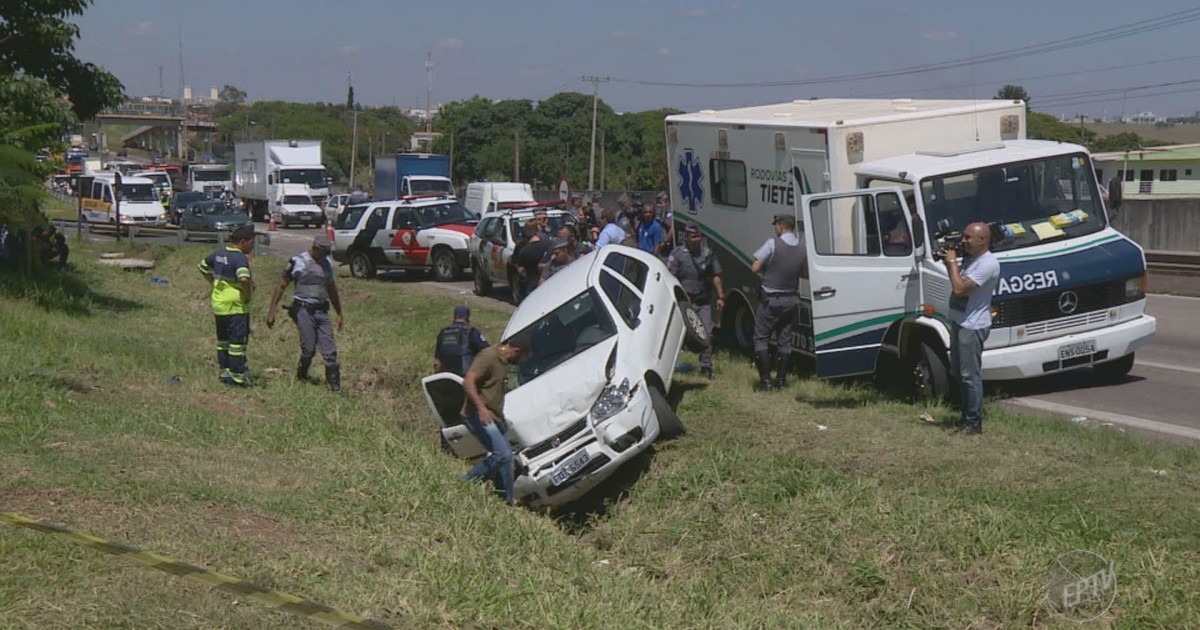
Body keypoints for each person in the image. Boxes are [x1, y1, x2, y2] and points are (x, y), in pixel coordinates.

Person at [265, 235, 346, 393]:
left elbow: (332, 289)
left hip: (322, 310)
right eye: (322, 253)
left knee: (329, 350)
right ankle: (302, 375)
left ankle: (335, 386)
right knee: (309, 348)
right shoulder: (298, 262)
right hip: (303, 309)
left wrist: (339, 313)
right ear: (315, 248)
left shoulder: (327, 264)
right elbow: (281, 286)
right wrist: (271, 311)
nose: (324, 256)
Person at [461, 332, 534, 504]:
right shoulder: (488, 356)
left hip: (495, 417)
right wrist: (481, 409)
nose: (524, 361)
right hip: (478, 415)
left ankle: (506, 500)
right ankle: (465, 483)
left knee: (507, 461)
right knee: (502, 455)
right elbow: (468, 381)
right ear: (516, 350)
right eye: (524, 356)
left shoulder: (506, 362)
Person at [943, 222, 1000, 436]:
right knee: (958, 372)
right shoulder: (971, 259)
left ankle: (974, 422)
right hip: (960, 321)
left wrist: (951, 264)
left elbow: (959, 288)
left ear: (982, 240)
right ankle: (964, 415)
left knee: (970, 376)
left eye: (968, 238)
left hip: (973, 325)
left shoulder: (988, 264)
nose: (963, 241)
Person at [750, 214, 806, 391]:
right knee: (785, 341)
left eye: (776, 226)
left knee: (761, 338)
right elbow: (805, 274)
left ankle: (766, 382)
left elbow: (755, 267)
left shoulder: (773, 243)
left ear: (781, 227)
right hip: (790, 299)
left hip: (771, 300)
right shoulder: (802, 247)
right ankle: (781, 382)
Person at [198, 224, 256, 387]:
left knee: (223, 341)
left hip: (219, 305)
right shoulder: (240, 259)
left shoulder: (218, 254)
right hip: (236, 306)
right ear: (243, 242)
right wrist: (248, 294)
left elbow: (202, 267)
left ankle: (225, 373)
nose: (253, 246)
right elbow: (244, 279)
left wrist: (213, 282)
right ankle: (237, 376)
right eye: (251, 243)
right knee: (237, 343)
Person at [668, 222, 725, 380]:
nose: (696, 239)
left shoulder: (708, 254)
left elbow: (716, 275)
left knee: (706, 333)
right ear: (686, 237)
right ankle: (670, 365)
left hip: (703, 300)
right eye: (693, 236)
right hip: (684, 303)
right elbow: (670, 277)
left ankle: (706, 366)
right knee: (677, 335)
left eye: (698, 236)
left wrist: (721, 296)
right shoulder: (678, 254)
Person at [432, 305, 489, 376]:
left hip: (445, 378)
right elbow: (488, 352)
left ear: (454, 318)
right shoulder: (471, 332)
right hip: (465, 379)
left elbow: (437, 363)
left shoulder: (443, 333)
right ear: (468, 319)